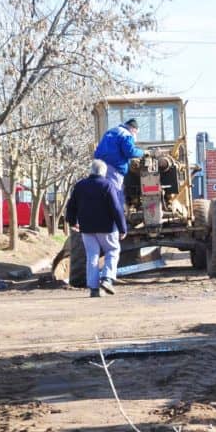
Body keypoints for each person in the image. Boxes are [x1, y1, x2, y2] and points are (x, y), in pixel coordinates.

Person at [65, 159, 127, 298]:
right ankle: (107, 279)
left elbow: (71, 206)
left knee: (92, 256)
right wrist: (122, 228)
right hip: (107, 228)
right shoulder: (107, 185)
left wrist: (72, 221)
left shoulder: (80, 186)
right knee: (112, 250)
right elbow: (116, 209)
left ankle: (93, 289)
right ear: (104, 172)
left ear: (91, 171)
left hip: (86, 228)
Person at [94, 118, 144, 205]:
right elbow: (130, 152)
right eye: (136, 133)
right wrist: (142, 152)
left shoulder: (110, 132)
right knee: (115, 195)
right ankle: (116, 216)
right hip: (114, 168)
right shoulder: (126, 134)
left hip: (100, 167)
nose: (135, 135)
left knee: (102, 193)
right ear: (133, 129)